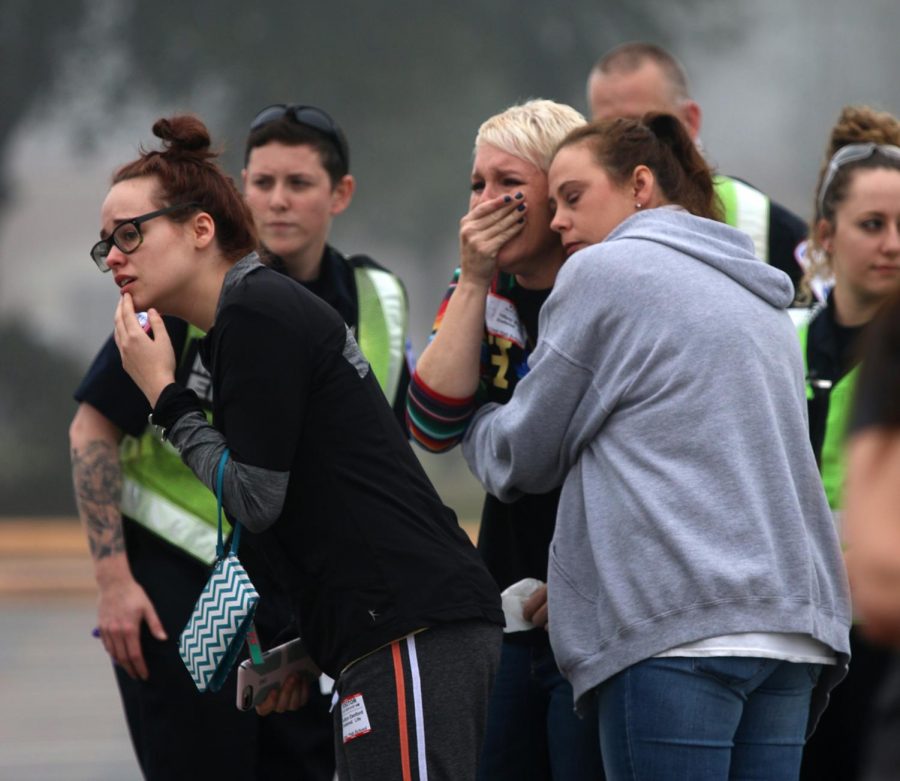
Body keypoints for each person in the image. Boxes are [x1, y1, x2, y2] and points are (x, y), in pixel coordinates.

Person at [92, 114, 503, 781]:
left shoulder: (253, 310)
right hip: (377, 631)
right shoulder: (242, 320)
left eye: (130, 233)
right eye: (104, 243)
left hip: (411, 623)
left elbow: (256, 498)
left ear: (200, 229)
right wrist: (302, 645)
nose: (113, 255)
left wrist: (165, 395)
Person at [460, 113, 851, 780]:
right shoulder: (756, 292)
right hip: (794, 628)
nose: (556, 221)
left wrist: (475, 423)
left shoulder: (605, 272)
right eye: (552, 204)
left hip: (680, 630)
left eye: (573, 197)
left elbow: (521, 454)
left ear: (639, 185)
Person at [409, 100, 604, 780]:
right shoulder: (480, 288)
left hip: (598, 609)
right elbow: (431, 425)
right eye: (476, 185)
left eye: (507, 184)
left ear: (561, 190)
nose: (485, 203)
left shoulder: (606, 285)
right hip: (505, 603)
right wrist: (474, 279)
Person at [795, 105, 900, 781]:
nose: (894, 242)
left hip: (884, 637)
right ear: (825, 236)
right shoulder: (775, 340)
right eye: (873, 225)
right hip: (789, 642)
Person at [587, 41, 808, 300]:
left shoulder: (764, 222)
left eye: (639, 126)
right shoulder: (578, 225)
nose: (622, 145)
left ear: (690, 120)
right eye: (607, 130)